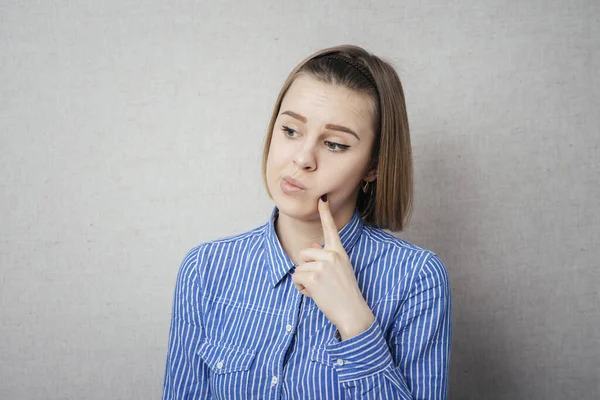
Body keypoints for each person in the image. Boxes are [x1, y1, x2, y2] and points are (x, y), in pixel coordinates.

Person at [162, 44, 452, 399]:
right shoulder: (206, 269)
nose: (302, 159)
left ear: (374, 165)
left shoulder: (416, 279)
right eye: (290, 131)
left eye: (334, 144)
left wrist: (354, 320)